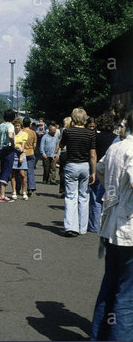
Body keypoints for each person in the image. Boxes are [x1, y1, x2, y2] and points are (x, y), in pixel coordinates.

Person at [89, 113, 133, 340]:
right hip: (128, 230)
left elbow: (102, 169)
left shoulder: (118, 146)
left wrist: (113, 195)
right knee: (127, 295)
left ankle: (98, 335)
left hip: (112, 224)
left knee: (110, 285)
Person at [58, 108, 96, 237]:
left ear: (73, 118)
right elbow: (93, 155)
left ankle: (70, 226)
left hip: (71, 165)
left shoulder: (68, 131)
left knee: (70, 196)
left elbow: (61, 145)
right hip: (85, 165)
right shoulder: (90, 133)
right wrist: (94, 172)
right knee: (84, 196)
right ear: (85, 118)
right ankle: (82, 228)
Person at [88, 113, 119, 233]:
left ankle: (94, 226)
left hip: (98, 169)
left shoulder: (95, 137)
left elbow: (93, 155)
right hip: (111, 171)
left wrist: (93, 171)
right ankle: (108, 225)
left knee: (96, 198)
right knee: (110, 198)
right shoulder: (116, 139)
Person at [0, 109, 16, 202]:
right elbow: (10, 135)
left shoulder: (1, 125)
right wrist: (13, 143)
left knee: (2, 171)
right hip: (9, 149)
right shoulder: (10, 126)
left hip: (1, 149)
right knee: (6, 171)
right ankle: (2, 195)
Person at [11, 118, 29, 201]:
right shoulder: (12, 134)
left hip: (21, 153)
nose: (17, 127)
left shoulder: (24, 134)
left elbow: (23, 145)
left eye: (18, 126)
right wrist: (17, 146)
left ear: (21, 126)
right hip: (13, 152)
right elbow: (12, 144)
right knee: (13, 174)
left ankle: (24, 191)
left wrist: (21, 155)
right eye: (16, 126)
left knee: (22, 174)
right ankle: (14, 191)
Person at [22, 117, 38, 197]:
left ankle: (20, 188)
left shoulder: (21, 132)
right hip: (31, 152)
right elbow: (35, 144)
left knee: (21, 172)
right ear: (29, 124)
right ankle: (31, 187)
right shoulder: (33, 132)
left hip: (22, 153)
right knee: (30, 171)